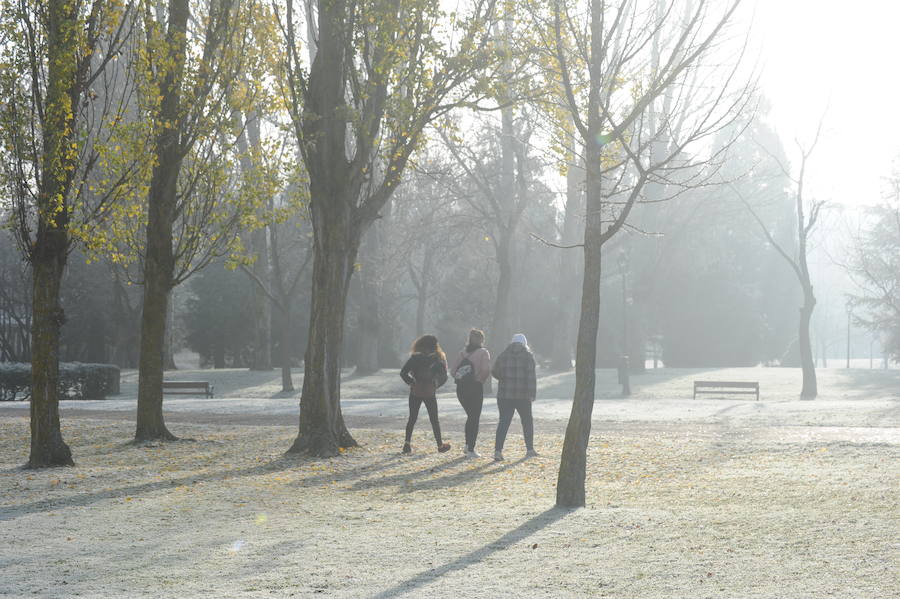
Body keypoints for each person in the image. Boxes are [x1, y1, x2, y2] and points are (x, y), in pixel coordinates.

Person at [400, 335, 451, 454]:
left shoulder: (414, 358)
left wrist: (412, 382)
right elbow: (444, 376)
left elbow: (403, 373)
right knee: (434, 420)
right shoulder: (437, 359)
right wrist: (435, 384)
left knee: (412, 418)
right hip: (429, 391)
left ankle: (406, 444)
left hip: (415, 391)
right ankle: (439, 445)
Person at [492, 333, 538, 461]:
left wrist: (503, 378)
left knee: (504, 422)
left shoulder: (503, 355)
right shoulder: (528, 356)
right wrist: (532, 394)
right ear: (524, 343)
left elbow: (494, 371)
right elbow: (531, 377)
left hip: (504, 395)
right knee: (527, 421)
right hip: (522, 396)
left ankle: (498, 451)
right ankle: (529, 449)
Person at [450, 329, 491, 458]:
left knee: (470, 416)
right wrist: (479, 380)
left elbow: (452, 372)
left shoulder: (462, 353)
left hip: (461, 389)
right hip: (475, 387)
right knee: (474, 418)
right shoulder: (484, 352)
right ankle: (471, 449)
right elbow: (486, 370)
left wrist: (463, 377)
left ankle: (467, 445)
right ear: (482, 340)